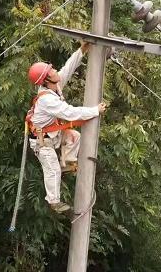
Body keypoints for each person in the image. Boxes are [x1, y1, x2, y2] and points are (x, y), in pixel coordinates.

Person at [26, 42, 107, 213]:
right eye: (51, 71)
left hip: (53, 134)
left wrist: (82, 50)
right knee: (52, 169)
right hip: (42, 142)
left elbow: (68, 67)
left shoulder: (54, 85)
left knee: (74, 137)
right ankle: (54, 202)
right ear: (46, 80)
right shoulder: (47, 99)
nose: (54, 71)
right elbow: (69, 113)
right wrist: (95, 110)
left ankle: (67, 162)